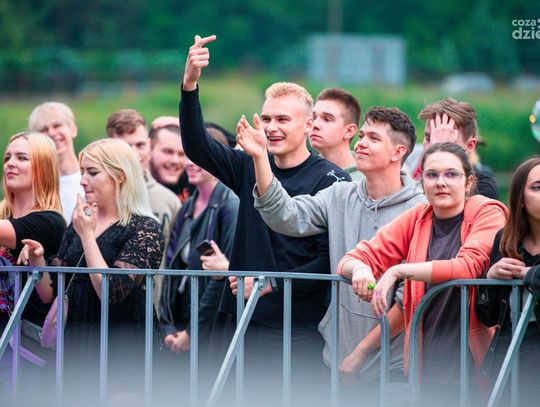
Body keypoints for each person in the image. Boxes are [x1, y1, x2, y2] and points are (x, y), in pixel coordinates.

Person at [180, 34, 350, 402]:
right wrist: (190, 85)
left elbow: (329, 258)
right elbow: (196, 146)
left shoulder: (332, 179)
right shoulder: (249, 165)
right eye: (267, 118)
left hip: (298, 327)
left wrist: (272, 283)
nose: (272, 127)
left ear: (308, 125)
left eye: (283, 119)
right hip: (244, 318)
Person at [240, 105, 425, 394]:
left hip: (393, 366)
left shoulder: (420, 209)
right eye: (361, 136)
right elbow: (286, 215)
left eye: (373, 138)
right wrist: (260, 158)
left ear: (398, 152)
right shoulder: (340, 194)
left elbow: (408, 301)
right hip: (337, 359)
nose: (361, 143)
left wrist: (361, 353)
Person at [338, 142, 506, 404]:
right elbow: (353, 258)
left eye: (451, 174)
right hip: (424, 367)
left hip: (475, 366)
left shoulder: (486, 211)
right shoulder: (418, 217)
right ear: (421, 181)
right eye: (432, 174)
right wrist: (360, 269)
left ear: (469, 182)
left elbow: (467, 266)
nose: (441, 182)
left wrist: (397, 271)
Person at [21, 138, 164, 401]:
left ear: (120, 176)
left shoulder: (145, 228)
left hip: (121, 349)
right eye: (83, 171)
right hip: (76, 343)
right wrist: (37, 260)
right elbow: (50, 294)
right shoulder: (79, 223)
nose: (83, 180)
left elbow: (112, 293)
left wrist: (88, 236)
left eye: (93, 172)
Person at [159, 127, 239, 392]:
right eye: (188, 154)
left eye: (198, 155)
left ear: (216, 157)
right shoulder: (187, 205)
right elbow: (170, 266)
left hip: (212, 328)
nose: (190, 162)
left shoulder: (230, 206)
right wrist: (168, 325)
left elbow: (222, 277)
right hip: (181, 319)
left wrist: (193, 332)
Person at [0, 132, 66, 393]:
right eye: (7, 157)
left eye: (22, 158)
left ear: (43, 168)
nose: (10, 163)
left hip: (23, 353)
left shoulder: (49, 222)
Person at [476, 157, 540, 405]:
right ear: (520, 198)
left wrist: (528, 275)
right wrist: (490, 277)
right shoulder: (506, 239)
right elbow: (488, 317)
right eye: (537, 187)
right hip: (509, 355)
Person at [106, 109, 181, 314]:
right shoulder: (96, 197)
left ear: (149, 144)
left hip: (153, 312)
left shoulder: (169, 200)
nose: (134, 154)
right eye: (125, 146)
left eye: (140, 145)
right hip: (103, 312)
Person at [414, 98, 499, 199]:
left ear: (470, 146)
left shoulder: (484, 188)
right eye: (428, 138)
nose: (431, 149)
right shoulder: (409, 172)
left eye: (448, 144)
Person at [28, 102, 85, 223]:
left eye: (57, 125)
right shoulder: (31, 186)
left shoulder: (93, 178)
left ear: (73, 130)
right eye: (43, 129)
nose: (51, 133)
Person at [310, 88, 364, 181]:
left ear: (349, 131)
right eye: (314, 117)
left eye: (327, 119)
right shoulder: (300, 171)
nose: (315, 125)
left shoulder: (367, 180)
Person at [148, 119, 192, 202]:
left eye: (181, 154)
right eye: (168, 152)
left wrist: (184, 123)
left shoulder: (194, 183)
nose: (175, 160)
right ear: (149, 148)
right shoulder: (135, 187)